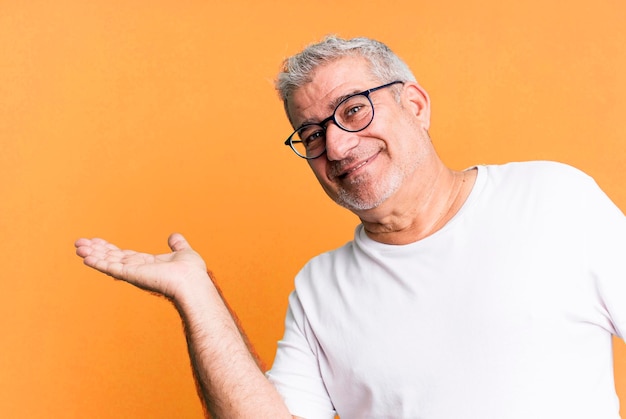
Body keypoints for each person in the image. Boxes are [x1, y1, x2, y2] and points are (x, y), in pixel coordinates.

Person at [75, 36, 626, 419]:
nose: (336, 145)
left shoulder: (555, 199)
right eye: (311, 134)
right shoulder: (320, 290)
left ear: (414, 104)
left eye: (353, 110)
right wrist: (197, 295)